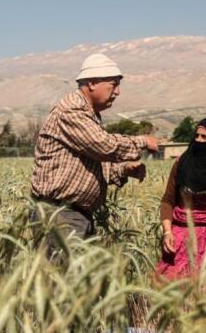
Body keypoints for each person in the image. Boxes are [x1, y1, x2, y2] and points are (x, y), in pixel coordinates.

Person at [30, 53, 159, 260]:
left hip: (74, 215)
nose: (118, 92)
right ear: (91, 83)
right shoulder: (72, 110)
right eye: (113, 85)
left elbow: (95, 163)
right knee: (59, 285)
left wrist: (124, 169)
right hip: (59, 215)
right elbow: (103, 145)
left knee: (79, 286)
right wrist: (142, 141)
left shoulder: (89, 115)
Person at [155, 116, 206, 281]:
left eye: (205, 137)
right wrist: (167, 232)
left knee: (204, 295)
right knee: (169, 293)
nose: (199, 141)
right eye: (197, 136)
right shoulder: (181, 165)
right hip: (177, 239)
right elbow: (168, 200)